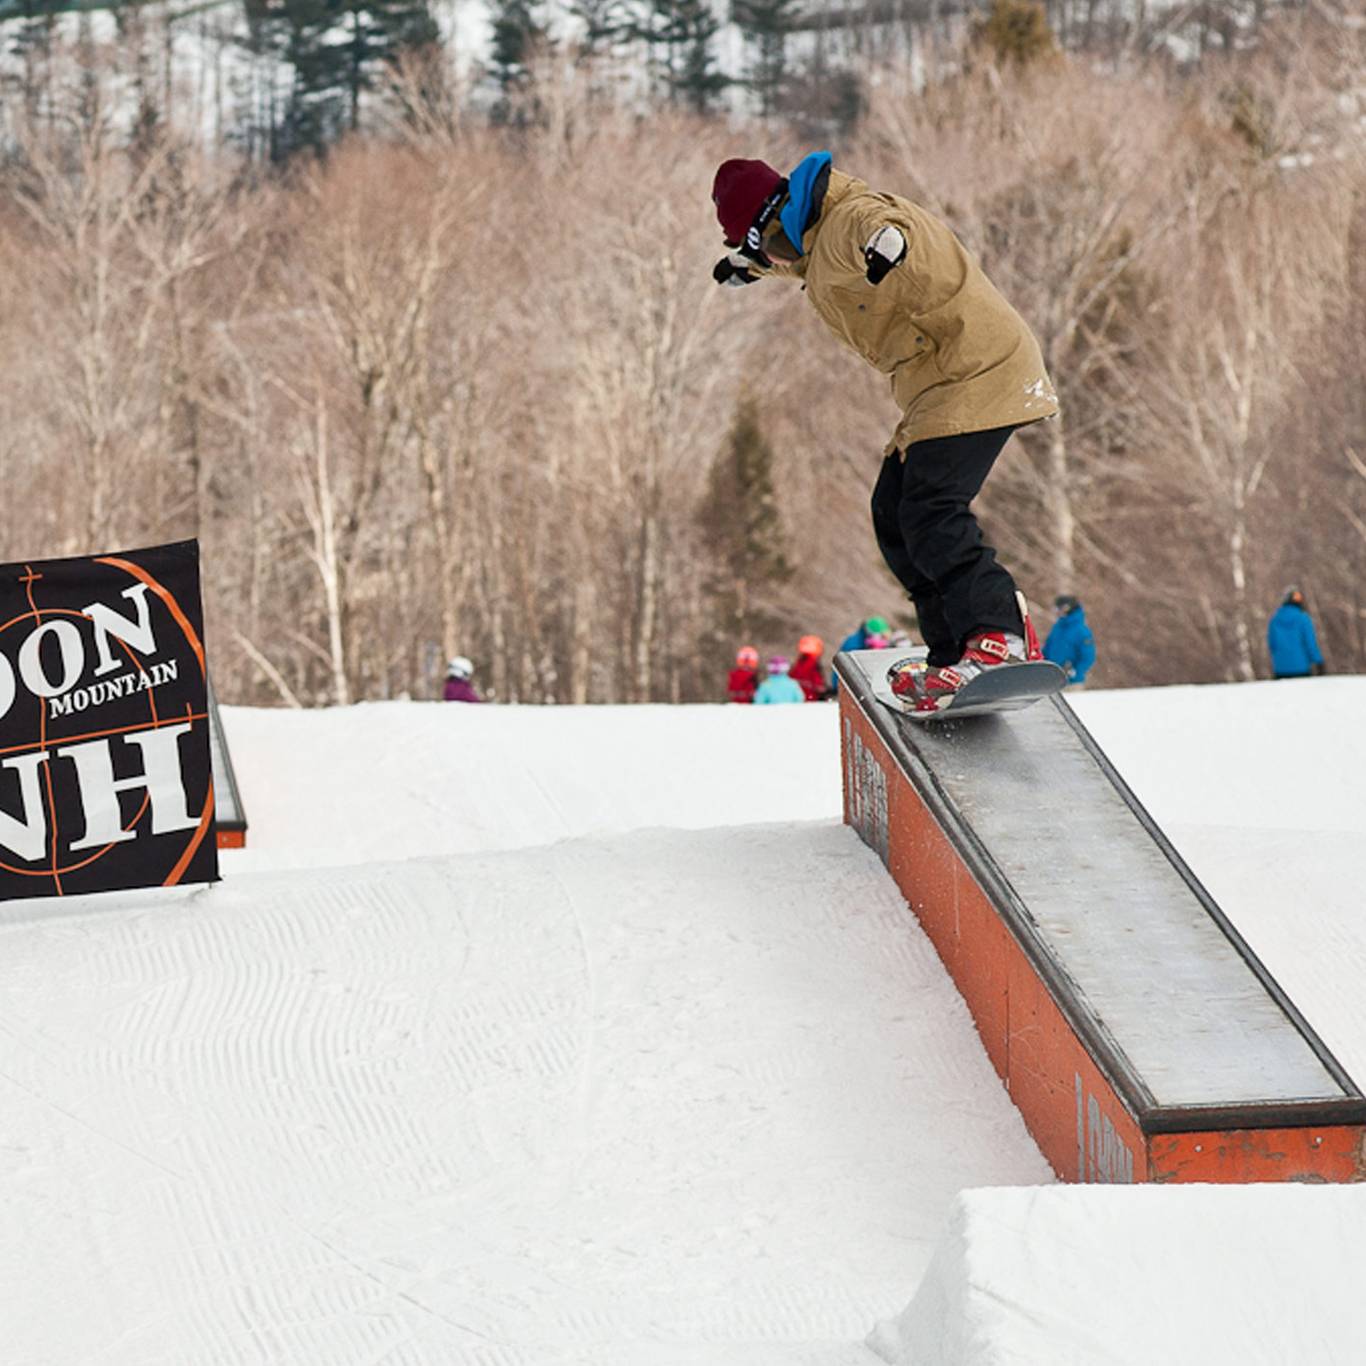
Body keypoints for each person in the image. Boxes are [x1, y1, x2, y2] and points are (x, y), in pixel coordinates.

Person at [712, 153, 1058, 715]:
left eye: (764, 247)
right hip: (939, 384)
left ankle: (998, 636)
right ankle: (951, 653)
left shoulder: (852, 219)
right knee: (893, 513)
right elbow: (798, 261)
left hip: (977, 369)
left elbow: (879, 226)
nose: (772, 259)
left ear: (776, 222)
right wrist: (748, 267)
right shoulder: (808, 237)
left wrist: (887, 246)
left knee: (932, 508)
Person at [1267, 588, 1325, 680]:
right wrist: (1318, 661)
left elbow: (1272, 644)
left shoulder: (1275, 619)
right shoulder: (1303, 618)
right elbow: (1310, 642)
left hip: (1280, 669)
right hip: (1301, 668)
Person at [1043, 595, 1096, 687]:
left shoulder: (1081, 630)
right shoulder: (1057, 628)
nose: (1057, 611)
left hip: (1072, 683)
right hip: (1052, 681)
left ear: (1068, 608)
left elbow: (1088, 656)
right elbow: (1047, 649)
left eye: (1060, 608)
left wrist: (1076, 671)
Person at [789, 635, 830, 701]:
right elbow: (819, 687)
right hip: (812, 700)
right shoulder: (813, 664)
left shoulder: (799, 664)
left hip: (800, 700)